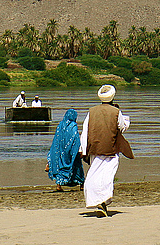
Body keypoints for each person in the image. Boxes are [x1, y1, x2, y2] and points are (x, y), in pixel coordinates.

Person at [80, 84, 132, 217]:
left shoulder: (91, 111)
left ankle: (100, 202)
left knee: (94, 175)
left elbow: (85, 131)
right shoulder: (116, 112)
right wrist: (126, 121)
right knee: (107, 177)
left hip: (95, 149)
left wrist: (83, 149)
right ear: (113, 96)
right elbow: (121, 127)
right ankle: (102, 202)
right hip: (111, 150)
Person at [46, 108, 84, 191]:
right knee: (76, 167)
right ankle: (81, 185)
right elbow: (75, 138)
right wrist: (79, 149)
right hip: (71, 151)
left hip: (61, 151)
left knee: (61, 167)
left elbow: (56, 139)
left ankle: (59, 185)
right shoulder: (73, 126)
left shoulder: (60, 125)